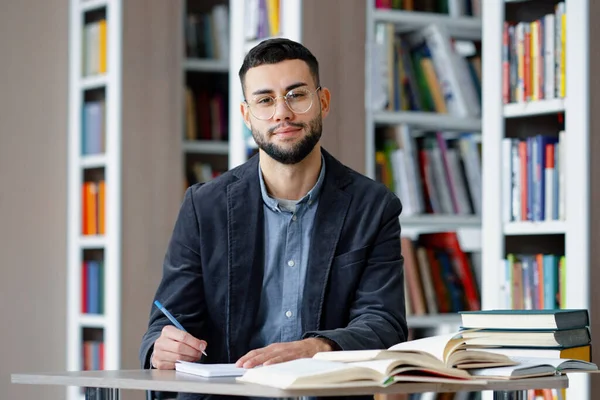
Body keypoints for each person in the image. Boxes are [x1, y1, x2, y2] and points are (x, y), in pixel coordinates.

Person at [140, 38, 407, 399]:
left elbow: (383, 322)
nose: (282, 112)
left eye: (296, 95)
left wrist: (313, 349)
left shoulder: (373, 206)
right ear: (247, 114)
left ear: (322, 102)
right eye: (265, 100)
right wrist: (161, 347)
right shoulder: (204, 207)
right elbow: (166, 322)